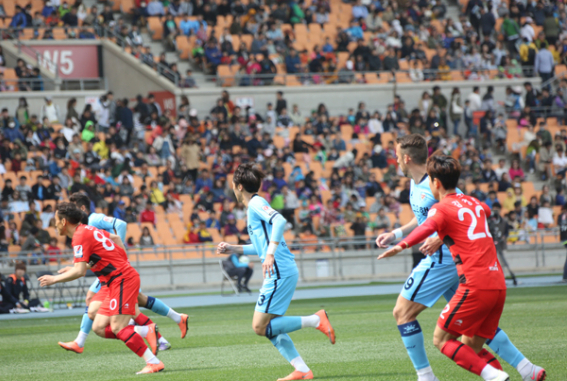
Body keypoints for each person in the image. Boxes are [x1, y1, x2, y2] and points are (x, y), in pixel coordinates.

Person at [375, 134, 544, 381]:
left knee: (402, 312)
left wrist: (435, 239)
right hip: (460, 265)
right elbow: (423, 217)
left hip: (443, 260)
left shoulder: (438, 183)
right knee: (474, 326)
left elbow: (461, 217)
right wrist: (396, 233)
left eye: (397, 156)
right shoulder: (417, 183)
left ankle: (426, 376)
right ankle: (526, 367)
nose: (396, 161)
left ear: (406, 158)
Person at [217, 163, 335, 381]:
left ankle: (316, 320)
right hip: (281, 270)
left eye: (233, 184)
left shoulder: (255, 203)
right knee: (271, 327)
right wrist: (234, 248)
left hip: (279, 271)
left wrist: (270, 253)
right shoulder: (253, 206)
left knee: (259, 326)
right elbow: (260, 246)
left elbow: (280, 220)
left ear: (239, 186)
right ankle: (302, 370)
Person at [38, 202, 164, 375]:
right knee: (98, 327)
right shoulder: (88, 230)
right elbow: (114, 241)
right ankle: (144, 330)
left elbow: (80, 272)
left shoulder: (79, 236)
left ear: (64, 222)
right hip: (115, 281)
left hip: (122, 280)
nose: (55, 225)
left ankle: (153, 362)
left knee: (118, 327)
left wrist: (54, 279)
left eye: (56, 221)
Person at [57, 193, 175, 354]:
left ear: (81, 209)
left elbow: (120, 225)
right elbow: (97, 253)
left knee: (129, 310)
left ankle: (157, 334)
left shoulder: (92, 221)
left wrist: (121, 258)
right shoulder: (84, 230)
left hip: (117, 275)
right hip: (110, 275)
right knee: (102, 318)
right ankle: (161, 330)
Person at [488, 203, 517, 286]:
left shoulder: (503, 221)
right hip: (492, 246)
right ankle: (495, 279)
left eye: (497, 209)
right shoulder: (488, 221)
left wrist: (504, 236)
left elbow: (507, 231)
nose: (495, 211)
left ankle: (503, 278)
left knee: (503, 263)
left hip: (501, 245)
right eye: (494, 208)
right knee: (493, 264)